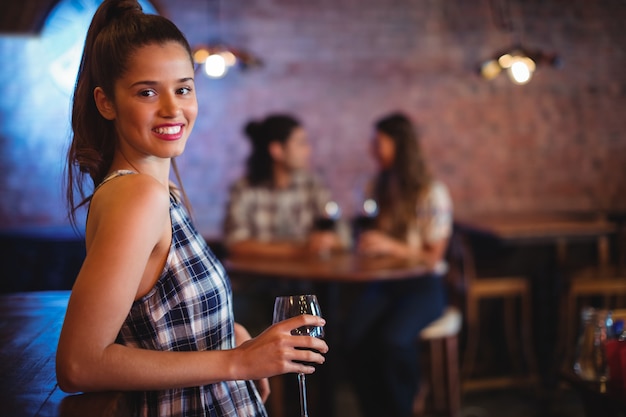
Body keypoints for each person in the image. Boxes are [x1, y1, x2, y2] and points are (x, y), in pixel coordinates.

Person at [55, 2, 328, 416]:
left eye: (182, 88)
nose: (172, 108)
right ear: (106, 102)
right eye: (147, 91)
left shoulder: (156, 191)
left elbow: (156, 325)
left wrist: (226, 336)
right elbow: (78, 365)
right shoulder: (138, 198)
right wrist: (237, 361)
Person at [342, 112, 453, 417]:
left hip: (424, 286)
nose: (371, 148)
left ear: (400, 146)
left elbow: (434, 257)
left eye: (378, 142)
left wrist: (390, 245)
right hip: (385, 283)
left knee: (391, 342)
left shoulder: (431, 192)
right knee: (350, 337)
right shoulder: (377, 186)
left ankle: (403, 409)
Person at [223, 114, 344, 258]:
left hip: (306, 278)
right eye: (301, 143)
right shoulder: (244, 189)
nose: (308, 150)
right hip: (258, 278)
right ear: (277, 150)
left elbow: (342, 237)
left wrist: (328, 240)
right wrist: (300, 250)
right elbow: (236, 244)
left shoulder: (312, 185)